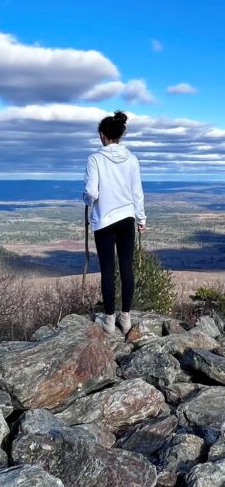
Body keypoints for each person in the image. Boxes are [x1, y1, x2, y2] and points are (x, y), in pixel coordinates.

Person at [83, 110, 147, 335]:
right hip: (127, 218)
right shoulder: (132, 159)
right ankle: (126, 318)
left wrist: (86, 199)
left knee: (107, 270)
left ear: (103, 135)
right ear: (120, 135)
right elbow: (137, 192)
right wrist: (141, 218)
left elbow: (91, 192)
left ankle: (109, 321)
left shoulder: (95, 159)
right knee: (127, 267)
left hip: (104, 221)